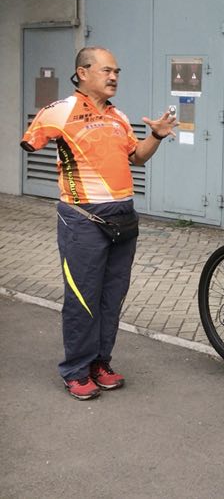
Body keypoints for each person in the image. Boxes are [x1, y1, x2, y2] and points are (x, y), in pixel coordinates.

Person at [20, 47, 178, 400]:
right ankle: (75, 370)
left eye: (117, 71)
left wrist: (156, 136)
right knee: (82, 299)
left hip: (123, 218)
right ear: (83, 72)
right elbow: (30, 142)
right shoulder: (59, 111)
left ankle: (99, 363)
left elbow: (137, 157)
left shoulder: (118, 116)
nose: (114, 77)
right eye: (107, 70)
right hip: (82, 219)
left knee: (111, 298)